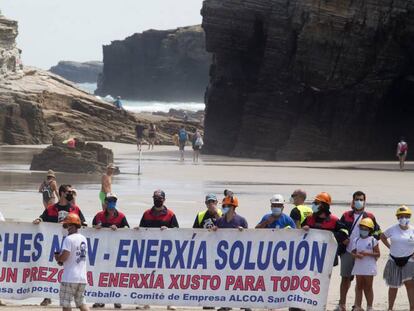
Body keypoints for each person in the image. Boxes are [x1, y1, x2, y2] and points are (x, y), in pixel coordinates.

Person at [33, 184, 86, 307]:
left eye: (72, 192)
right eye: (68, 192)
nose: (70, 194)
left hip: (70, 245)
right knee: (48, 269)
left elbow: (83, 223)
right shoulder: (51, 209)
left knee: (68, 269)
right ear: (62, 193)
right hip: (53, 245)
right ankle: (47, 296)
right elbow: (42, 218)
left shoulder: (75, 209)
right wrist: (38, 220)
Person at [335, 191, 381, 311]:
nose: (358, 202)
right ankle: (342, 305)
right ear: (353, 201)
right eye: (356, 199)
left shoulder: (370, 216)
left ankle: (359, 306)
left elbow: (377, 232)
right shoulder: (346, 215)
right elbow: (339, 230)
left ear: (365, 201)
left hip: (364, 255)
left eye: (361, 199)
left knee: (363, 282)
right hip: (348, 252)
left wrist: (371, 244)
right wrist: (343, 239)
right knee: (345, 278)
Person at [137, 190, 178, 310]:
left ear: (164, 200)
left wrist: (168, 230)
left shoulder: (170, 215)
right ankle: (146, 302)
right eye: (155, 198)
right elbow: (141, 230)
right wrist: (137, 230)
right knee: (147, 276)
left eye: (159, 198)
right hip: (149, 251)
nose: (157, 200)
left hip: (165, 252)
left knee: (167, 276)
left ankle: (170, 302)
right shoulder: (146, 214)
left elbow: (178, 233)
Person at [212, 192, 251, 311]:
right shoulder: (220, 221)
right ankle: (226, 304)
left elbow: (250, 238)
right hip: (223, 256)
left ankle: (245, 304)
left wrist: (242, 232)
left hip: (238, 256)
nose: (224, 208)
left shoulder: (241, 220)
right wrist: (214, 231)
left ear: (233, 207)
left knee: (240, 280)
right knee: (225, 280)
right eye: (223, 206)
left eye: (226, 206)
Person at [92, 193, 128, 309]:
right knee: (100, 275)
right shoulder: (98, 215)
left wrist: (119, 230)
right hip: (100, 251)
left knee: (115, 275)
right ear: (105, 203)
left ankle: (116, 300)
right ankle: (100, 300)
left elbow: (128, 230)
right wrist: (95, 228)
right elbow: (89, 229)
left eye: (114, 201)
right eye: (110, 201)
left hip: (116, 252)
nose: (112, 203)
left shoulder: (121, 216)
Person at [381, 205, 414, 311]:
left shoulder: (413, 230)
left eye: (406, 216)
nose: (403, 218)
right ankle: (390, 308)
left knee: (410, 285)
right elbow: (383, 236)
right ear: (397, 217)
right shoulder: (392, 229)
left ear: (409, 216)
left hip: (409, 259)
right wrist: (389, 247)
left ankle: (412, 308)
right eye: (401, 216)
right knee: (393, 286)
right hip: (393, 259)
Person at [302, 192, 349, 267]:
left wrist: (331, 236)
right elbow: (299, 234)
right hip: (310, 257)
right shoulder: (309, 218)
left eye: (317, 203)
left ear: (324, 206)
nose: (314, 205)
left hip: (327, 257)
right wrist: (303, 229)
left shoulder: (334, 220)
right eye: (314, 202)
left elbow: (345, 232)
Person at [54, 213, 90, 311]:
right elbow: (75, 256)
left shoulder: (68, 239)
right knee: (82, 303)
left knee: (66, 305)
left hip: (70, 277)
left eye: (66, 225)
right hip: (82, 278)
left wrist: (58, 258)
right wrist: (62, 260)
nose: (64, 227)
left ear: (72, 226)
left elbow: (65, 256)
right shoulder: (83, 238)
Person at [351, 218, 380, 311]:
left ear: (370, 230)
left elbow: (378, 254)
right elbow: (352, 252)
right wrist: (356, 255)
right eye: (362, 228)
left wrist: (367, 254)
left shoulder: (373, 240)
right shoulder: (356, 240)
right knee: (359, 286)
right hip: (359, 266)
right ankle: (358, 306)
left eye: (366, 229)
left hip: (369, 267)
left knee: (368, 287)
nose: (363, 230)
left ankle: (369, 307)